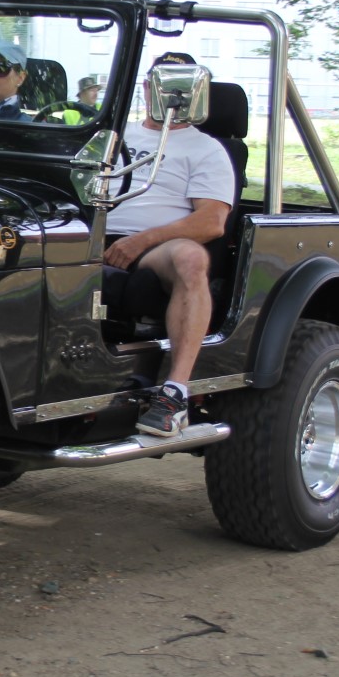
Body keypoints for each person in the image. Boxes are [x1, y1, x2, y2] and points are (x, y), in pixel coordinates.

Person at [102, 52, 235, 438]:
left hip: (156, 249)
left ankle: (174, 393)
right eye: (162, 84)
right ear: (146, 87)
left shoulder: (206, 149)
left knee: (192, 258)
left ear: (196, 93)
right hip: (89, 236)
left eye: (181, 86)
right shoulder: (112, 138)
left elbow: (211, 221)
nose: (170, 95)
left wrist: (141, 240)